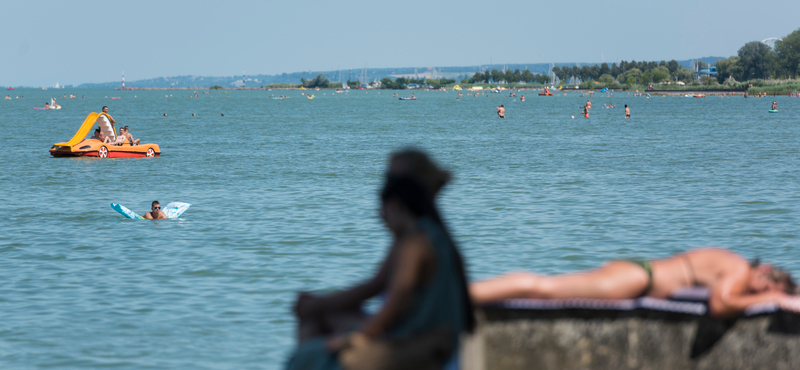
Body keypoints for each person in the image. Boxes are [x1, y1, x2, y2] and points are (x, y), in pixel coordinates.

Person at [288, 149, 474, 370]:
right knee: (317, 325)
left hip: (413, 342)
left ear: (395, 204)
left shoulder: (414, 241)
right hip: (423, 337)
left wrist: (356, 337)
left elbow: (394, 298)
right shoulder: (433, 233)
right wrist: (320, 306)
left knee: (307, 355)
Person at [470, 248, 797, 318]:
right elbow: (721, 303)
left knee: (544, 291)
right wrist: (779, 302)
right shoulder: (739, 269)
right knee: (542, 289)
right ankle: (465, 294)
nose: (754, 296)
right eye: (762, 291)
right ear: (765, 271)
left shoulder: (731, 262)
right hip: (637, 279)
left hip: (637, 275)